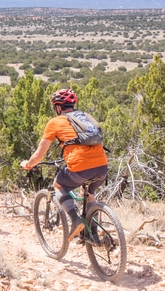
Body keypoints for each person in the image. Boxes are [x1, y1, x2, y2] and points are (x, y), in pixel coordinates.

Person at [21, 88, 108, 240]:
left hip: (79, 167)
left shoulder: (55, 122)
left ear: (58, 107)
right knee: (88, 193)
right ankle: (93, 234)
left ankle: (75, 220)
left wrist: (28, 164)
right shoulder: (86, 118)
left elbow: (39, 155)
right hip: (102, 167)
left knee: (59, 185)